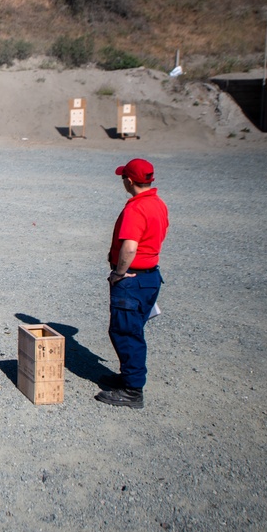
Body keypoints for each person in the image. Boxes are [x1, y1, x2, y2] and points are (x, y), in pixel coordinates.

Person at [96, 158, 169, 409]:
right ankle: (128, 378)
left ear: (129, 180)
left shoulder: (136, 209)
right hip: (149, 277)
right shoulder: (157, 204)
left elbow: (130, 246)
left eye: (123, 178)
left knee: (126, 333)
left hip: (133, 279)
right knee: (131, 329)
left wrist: (119, 273)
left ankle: (132, 390)